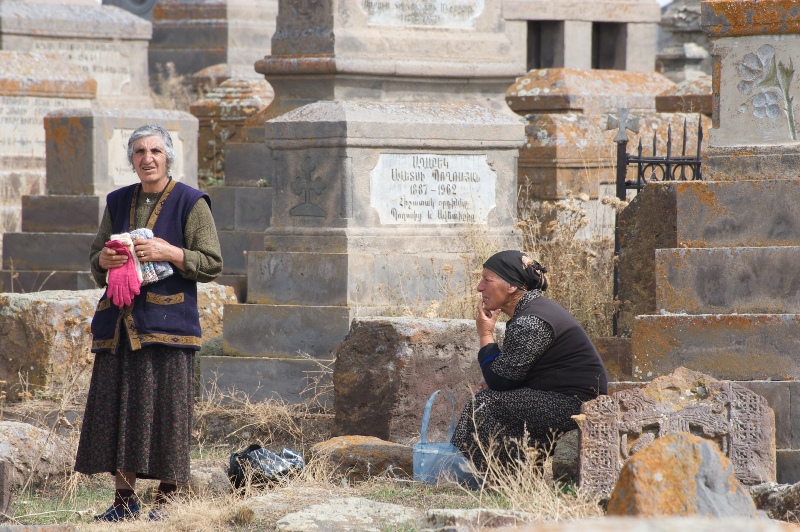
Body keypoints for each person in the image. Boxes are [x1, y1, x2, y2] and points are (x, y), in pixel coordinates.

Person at [74, 124, 223, 521]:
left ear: (167, 156)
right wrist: (103, 261)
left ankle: (168, 502)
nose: (147, 158)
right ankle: (124, 502)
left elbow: (211, 263)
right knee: (120, 413)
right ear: (132, 160)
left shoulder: (191, 202)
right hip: (119, 325)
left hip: (169, 324)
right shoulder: (118, 201)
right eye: (139, 151)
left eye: (155, 150)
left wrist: (169, 251)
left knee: (167, 415)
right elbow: (95, 259)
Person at [450, 250, 608, 470]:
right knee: (489, 398)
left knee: (485, 404)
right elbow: (509, 374)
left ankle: (500, 478)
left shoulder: (531, 321)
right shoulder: (532, 311)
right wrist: (493, 381)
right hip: (560, 400)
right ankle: (512, 474)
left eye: (487, 280)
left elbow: (500, 381)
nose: (479, 287)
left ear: (511, 286)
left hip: (575, 406)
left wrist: (485, 334)